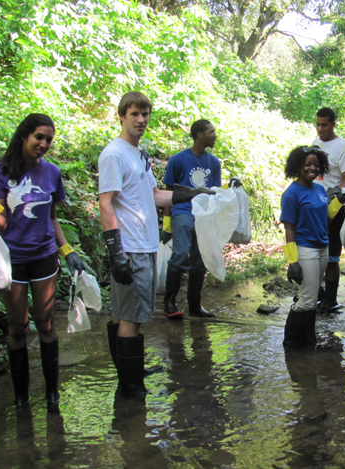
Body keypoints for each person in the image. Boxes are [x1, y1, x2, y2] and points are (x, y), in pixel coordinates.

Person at [0, 113, 85, 413]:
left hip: (44, 257)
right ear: (24, 136)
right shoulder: (0, 172)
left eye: (49, 140)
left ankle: (52, 395)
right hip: (13, 260)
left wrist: (67, 250)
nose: (44, 144)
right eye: (39, 137)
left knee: (46, 323)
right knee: (18, 328)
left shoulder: (52, 173)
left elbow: (53, 217)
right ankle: (21, 399)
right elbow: (2, 224)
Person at [99, 92, 212, 398]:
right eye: (134, 114)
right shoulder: (114, 154)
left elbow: (155, 196)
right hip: (130, 247)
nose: (141, 120)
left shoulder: (139, 154)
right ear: (122, 116)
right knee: (131, 318)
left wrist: (192, 193)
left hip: (145, 244)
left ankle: (130, 371)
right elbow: (106, 204)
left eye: (145, 114)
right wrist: (116, 251)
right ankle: (131, 385)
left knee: (125, 314)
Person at [162, 119, 236, 319]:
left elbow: (214, 193)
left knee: (200, 259)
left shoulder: (214, 163)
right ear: (200, 135)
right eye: (211, 132)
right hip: (182, 211)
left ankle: (195, 306)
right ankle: (169, 302)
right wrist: (166, 223)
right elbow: (169, 192)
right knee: (180, 255)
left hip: (204, 215)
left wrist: (230, 191)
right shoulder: (178, 160)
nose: (215, 135)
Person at [280, 145, 345, 348]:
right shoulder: (292, 193)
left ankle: (308, 340)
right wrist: (292, 261)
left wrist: (337, 203)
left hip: (322, 248)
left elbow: (324, 219)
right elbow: (289, 229)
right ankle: (291, 342)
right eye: (307, 164)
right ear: (298, 167)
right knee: (307, 300)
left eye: (316, 165)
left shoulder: (319, 189)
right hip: (305, 249)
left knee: (313, 298)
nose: (312, 168)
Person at [312, 108, 345, 311]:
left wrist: (335, 200)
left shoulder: (344, 147)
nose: (320, 129)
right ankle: (316, 293)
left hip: (334, 207)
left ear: (333, 124)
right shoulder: (315, 144)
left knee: (331, 256)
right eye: (318, 124)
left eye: (325, 125)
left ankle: (330, 299)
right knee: (312, 252)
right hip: (313, 206)